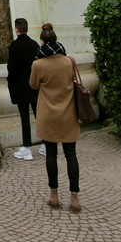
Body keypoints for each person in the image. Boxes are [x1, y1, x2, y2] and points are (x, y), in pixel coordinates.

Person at [29, 28, 82, 212]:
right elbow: (73, 81)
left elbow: (33, 85)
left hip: (48, 115)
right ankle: (75, 198)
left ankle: (54, 196)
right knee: (71, 155)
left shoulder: (38, 64)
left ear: (43, 42)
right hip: (68, 114)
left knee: (51, 155)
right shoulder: (69, 62)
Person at [6, 18, 40, 161]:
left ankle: (27, 148)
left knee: (24, 118)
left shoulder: (14, 45)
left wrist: (10, 80)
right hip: (34, 86)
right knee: (40, 115)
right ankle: (46, 144)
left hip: (20, 86)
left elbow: (11, 68)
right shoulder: (34, 44)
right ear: (27, 28)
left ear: (16, 29)